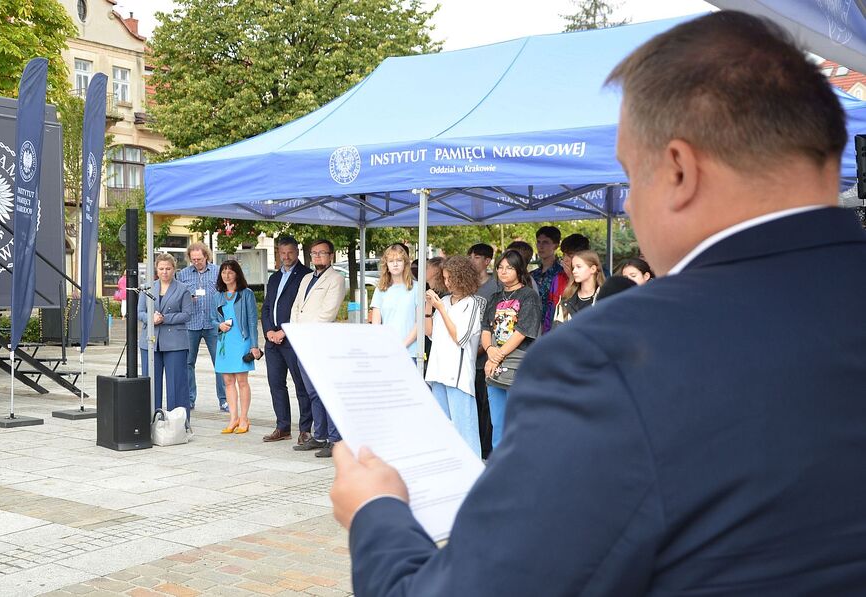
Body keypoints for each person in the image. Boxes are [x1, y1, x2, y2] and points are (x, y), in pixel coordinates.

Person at [329, 12, 866, 595]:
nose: (630, 206)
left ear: (680, 170)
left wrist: (375, 514)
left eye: (633, 177)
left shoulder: (616, 358)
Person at [424, 256, 486, 457]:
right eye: (445, 278)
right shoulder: (443, 301)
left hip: (458, 376)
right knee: (442, 429)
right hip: (438, 372)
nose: (448, 282)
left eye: (451, 278)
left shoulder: (475, 303)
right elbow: (429, 332)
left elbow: (460, 337)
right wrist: (428, 307)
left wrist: (441, 309)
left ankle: (473, 474)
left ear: (463, 277)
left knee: (465, 429)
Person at [290, 239, 346, 458]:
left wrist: (304, 333)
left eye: (322, 253)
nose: (317, 257)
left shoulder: (336, 279)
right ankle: (319, 435)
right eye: (314, 253)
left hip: (320, 340)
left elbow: (328, 312)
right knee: (312, 392)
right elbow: (297, 307)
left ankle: (335, 439)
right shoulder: (306, 278)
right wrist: (295, 331)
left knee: (326, 391)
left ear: (331, 255)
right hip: (301, 340)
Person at [480, 249, 541, 449]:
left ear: (519, 270)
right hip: (494, 364)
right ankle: (499, 464)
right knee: (498, 421)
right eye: (500, 267)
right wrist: (490, 351)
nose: (503, 271)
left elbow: (522, 331)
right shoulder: (495, 297)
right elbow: (486, 328)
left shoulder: (528, 295)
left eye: (509, 268)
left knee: (517, 419)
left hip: (517, 364)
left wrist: (497, 356)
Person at [261, 236, 313, 444]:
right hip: (272, 341)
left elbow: (303, 309)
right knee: (276, 384)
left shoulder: (306, 276)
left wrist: (285, 331)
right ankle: (282, 427)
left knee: (301, 385)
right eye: (282, 253)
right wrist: (268, 332)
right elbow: (266, 307)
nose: (286, 257)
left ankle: (305, 429)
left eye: (290, 252)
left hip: (293, 339)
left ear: (297, 252)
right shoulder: (274, 278)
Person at [139, 253, 192, 429]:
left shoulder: (183, 288)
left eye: (168, 268)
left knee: (177, 384)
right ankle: (151, 421)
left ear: (174, 269)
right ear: (156, 269)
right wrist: (150, 318)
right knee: (151, 384)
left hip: (175, 342)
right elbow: (139, 312)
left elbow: (187, 314)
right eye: (161, 269)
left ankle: (178, 423)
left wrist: (164, 318)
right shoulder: (147, 288)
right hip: (151, 341)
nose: (164, 272)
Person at [176, 242, 227, 412]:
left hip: (213, 323)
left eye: (199, 259)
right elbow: (177, 297)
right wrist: (187, 299)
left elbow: (226, 293)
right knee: (188, 363)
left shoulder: (218, 271)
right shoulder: (183, 274)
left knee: (219, 362)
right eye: (193, 259)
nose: (196, 262)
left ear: (206, 256)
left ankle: (224, 399)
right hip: (191, 323)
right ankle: (189, 399)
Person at [212, 260, 261, 434]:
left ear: (237, 274)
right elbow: (212, 319)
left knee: (241, 381)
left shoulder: (246, 293)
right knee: (227, 381)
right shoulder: (217, 295)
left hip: (241, 341)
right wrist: (219, 325)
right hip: (224, 342)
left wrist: (254, 345)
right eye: (223, 272)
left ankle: (244, 418)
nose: (226, 275)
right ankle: (233, 418)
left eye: (230, 272)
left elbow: (252, 320)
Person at [467, 243, 496, 458]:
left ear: (487, 261)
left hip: (486, 356)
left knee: (486, 407)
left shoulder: (495, 287)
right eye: (470, 256)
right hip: (466, 356)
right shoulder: (466, 285)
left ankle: (486, 450)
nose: (471, 260)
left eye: (476, 257)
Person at [370, 244, 419, 361]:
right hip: (386, 351)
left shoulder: (416, 288)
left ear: (405, 263)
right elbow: (376, 323)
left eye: (399, 260)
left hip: (410, 352)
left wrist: (402, 346)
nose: (395, 264)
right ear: (386, 264)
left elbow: (419, 323)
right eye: (391, 261)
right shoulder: (380, 289)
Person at [531, 226, 568, 333]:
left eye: (546, 242)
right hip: (533, 326)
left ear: (555, 246)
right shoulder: (532, 275)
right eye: (538, 242)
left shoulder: (562, 274)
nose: (541, 246)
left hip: (554, 326)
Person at [553, 249, 606, 325]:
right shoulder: (566, 300)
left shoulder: (606, 299)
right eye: (573, 267)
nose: (574, 271)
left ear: (593, 269)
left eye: (579, 267)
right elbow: (556, 332)